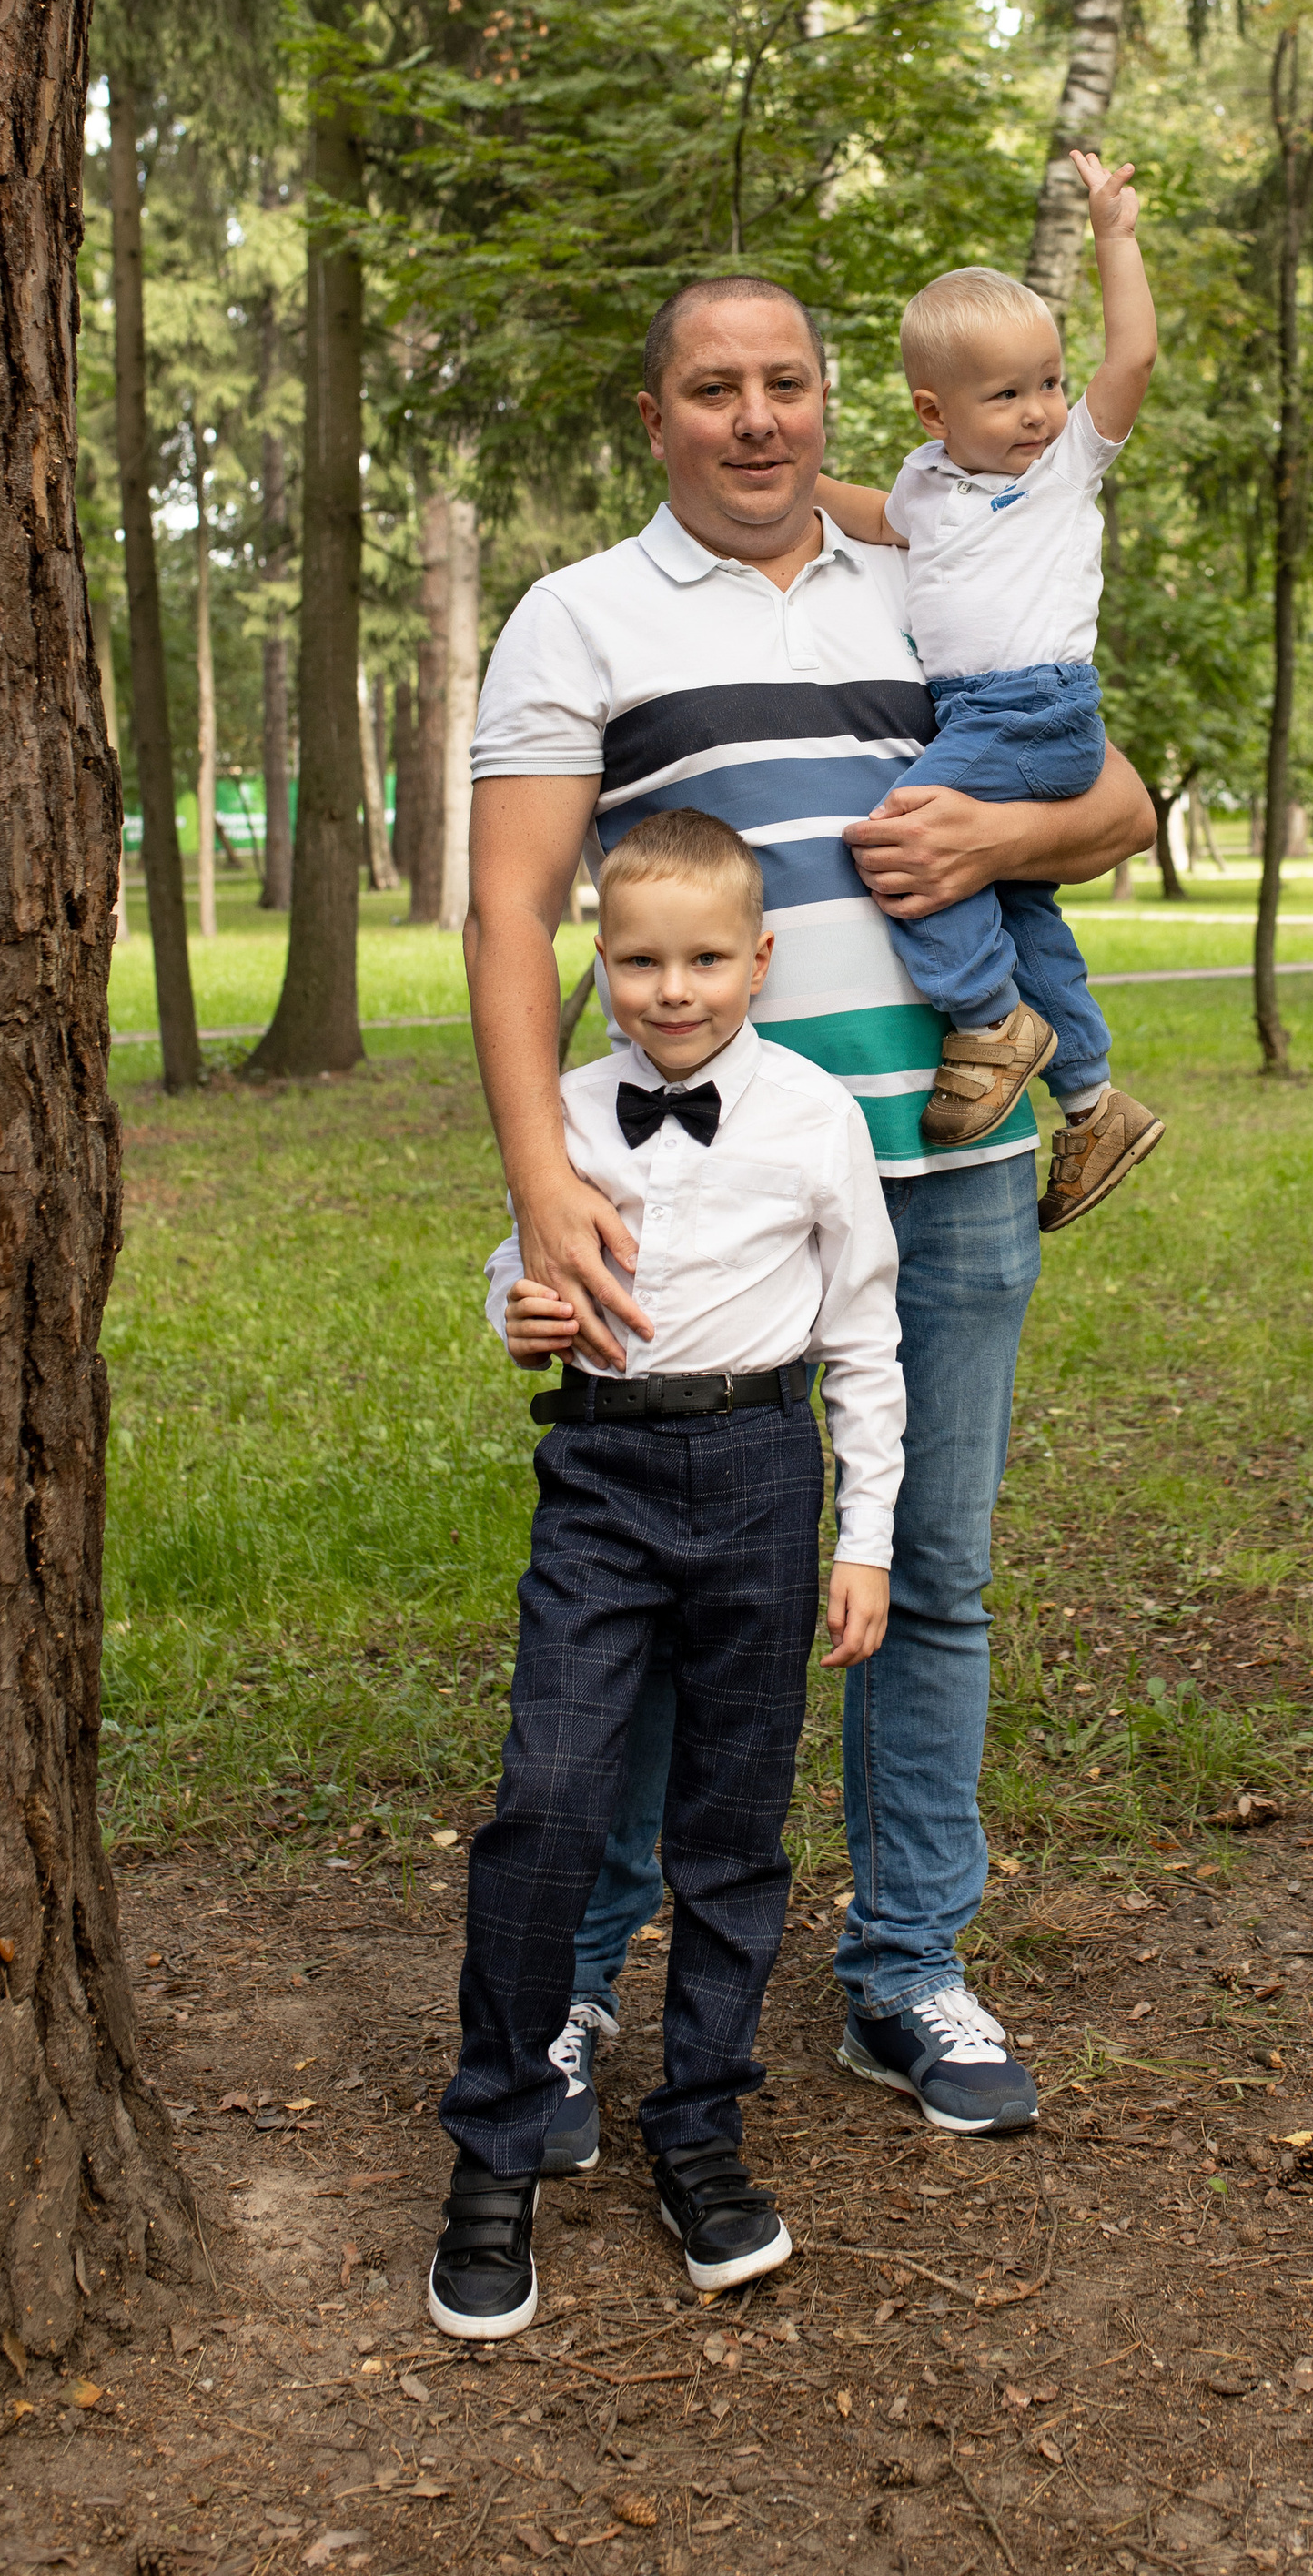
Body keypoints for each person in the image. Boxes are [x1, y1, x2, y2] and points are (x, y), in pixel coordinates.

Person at [460, 277, 1155, 2175]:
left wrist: (994, 845)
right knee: (673, 1603)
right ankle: (593, 1977)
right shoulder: (577, 616)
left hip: (944, 1170)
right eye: (712, 387)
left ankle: (906, 1967)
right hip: (697, 1200)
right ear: (655, 409)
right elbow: (510, 913)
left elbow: (1111, 795)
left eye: (784, 385)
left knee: (925, 1580)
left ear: (836, 404)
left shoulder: (929, 564)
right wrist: (544, 1179)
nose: (752, 418)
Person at [429, 808, 904, 2332]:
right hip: (601, 1480)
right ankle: (495, 2153)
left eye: (706, 958)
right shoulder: (557, 1109)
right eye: (639, 960)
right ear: (600, 959)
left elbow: (867, 1342)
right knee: (547, 1804)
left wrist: (866, 1537)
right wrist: (518, 1307)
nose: (674, 989)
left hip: (765, 1481)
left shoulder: (819, 1119)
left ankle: (700, 2131)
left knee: (731, 1831)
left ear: (760, 958)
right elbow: (518, 1268)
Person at [813, 147, 1163, 1233]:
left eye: (1048, 384)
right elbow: (874, 516)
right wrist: (789, 479)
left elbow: (1136, 358)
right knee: (1018, 902)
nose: (1038, 412)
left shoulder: (1065, 470)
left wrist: (1114, 234)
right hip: (973, 716)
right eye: (1005, 395)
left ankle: (989, 1020)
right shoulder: (928, 484)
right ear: (933, 412)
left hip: (1041, 708)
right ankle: (1094, 1100)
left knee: (904, 837)